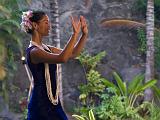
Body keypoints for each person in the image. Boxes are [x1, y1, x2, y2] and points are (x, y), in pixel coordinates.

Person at [20, 10, 88, 120]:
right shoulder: (34, 52)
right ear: (35, 25)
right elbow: (62, 58)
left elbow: (73, 54)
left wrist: (84, 35)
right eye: (46, 22)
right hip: (40, 105)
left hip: (53, 102)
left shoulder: (47, 49)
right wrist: (74, 34)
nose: (49, 25)